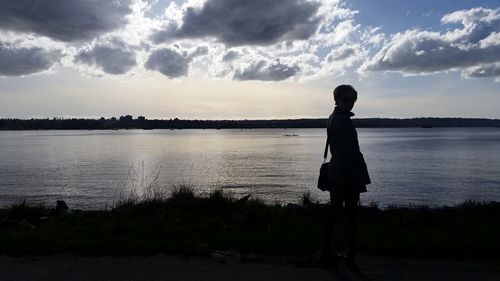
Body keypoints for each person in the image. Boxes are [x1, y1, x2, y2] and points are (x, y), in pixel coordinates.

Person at [321, 84, 371, 272]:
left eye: (353, 99)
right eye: (346, 99)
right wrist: (362, 170)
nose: (350, 103)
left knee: (334, 213)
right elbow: (352, 151)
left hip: (336, 171)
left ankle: (328, 251)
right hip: (347, 173)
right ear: (337, 99)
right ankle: (350, 257)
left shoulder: (332, 118)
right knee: (351, 216)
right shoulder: (342, 120)